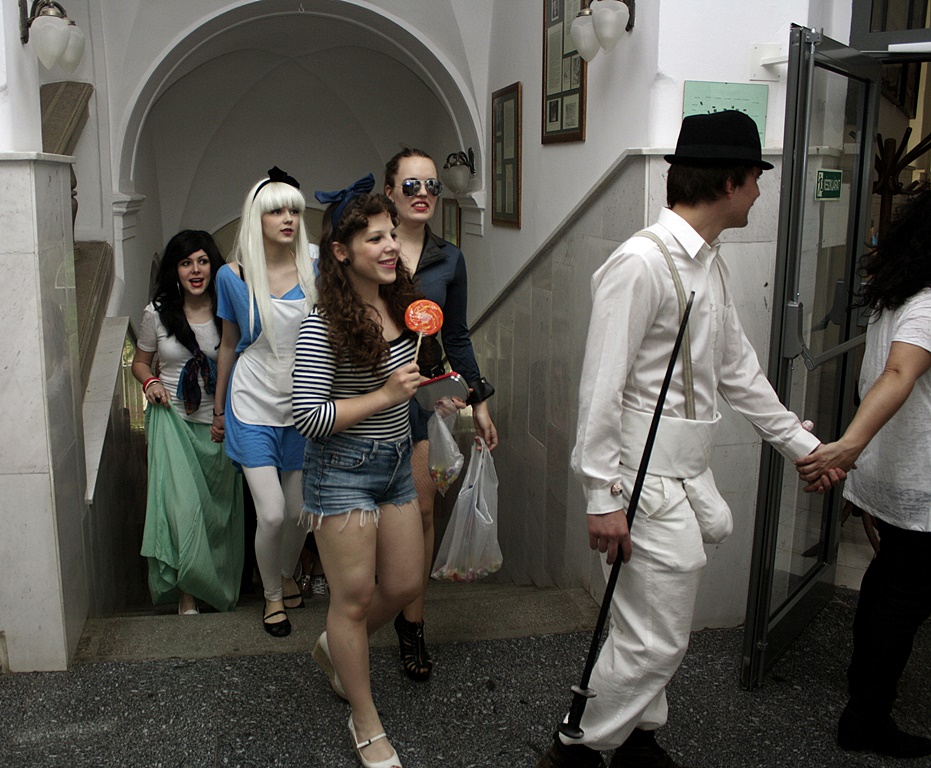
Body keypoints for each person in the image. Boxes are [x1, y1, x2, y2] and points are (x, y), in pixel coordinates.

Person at [537, 111, 836, 768]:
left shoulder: (707, 264)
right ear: (729, 181)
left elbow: (737, 371)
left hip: (679, 474)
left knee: (641, 624)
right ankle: (575, 750)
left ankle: (638, 742)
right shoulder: (640, 263)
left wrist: (800, 446)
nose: (758, 192)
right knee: (656, 640)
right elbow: (600, 389)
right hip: (640, 481)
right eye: (755, 178)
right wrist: (601, 497)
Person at [293, 175, 424, 768]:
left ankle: (335, 646)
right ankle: (366, 721)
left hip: (394, 462)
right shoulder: (323, 322)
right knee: (353, 600)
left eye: (391, 234)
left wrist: (436, 388)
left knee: (403, 585)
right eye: (375, 238)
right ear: (341, 252)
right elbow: (309, 416)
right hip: (341, 471)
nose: (392, 245)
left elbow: (405, 381)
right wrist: (386, 394)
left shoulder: (400, 304)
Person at [795, 190, 931, 759]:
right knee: (901, 596)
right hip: (919, 482)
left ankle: (865, 699)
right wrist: (847, 449)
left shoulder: (899, 294)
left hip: (894, 473)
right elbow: (897, 374)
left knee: (890, 585)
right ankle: (866, 715)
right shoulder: (928, 303)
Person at [383, 148, 499, 680]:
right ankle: (367, 603)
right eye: (411, 185)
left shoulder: (449, 259)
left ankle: (412, 624)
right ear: (390, 192)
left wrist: (478, 400)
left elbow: (456, 336)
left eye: (431, 185)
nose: (423, 193)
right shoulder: (372, 248)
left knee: (422, 512)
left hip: (427, 401)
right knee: (377, 514)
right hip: (373, 398)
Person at [213, 166, 317, 637]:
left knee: (299, 513)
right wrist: (218, 409)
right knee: (272, 511)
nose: (288, 218)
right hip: (251, 403)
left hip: (303, 405)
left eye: (293, 209)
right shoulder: (231, 276)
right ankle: (272, 595)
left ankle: (287, 574)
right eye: (276, 211)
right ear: (256, 218)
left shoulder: (315, 266)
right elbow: (227, 344)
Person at [133, 230, 244, 615]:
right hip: (172, 423)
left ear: (213, 267)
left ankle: (215, 586)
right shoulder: (156, 313)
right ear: (175, 270)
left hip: (218, 426)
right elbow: (140, 362)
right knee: (183, 512)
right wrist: (150, 383)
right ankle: (187, 594)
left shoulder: (228, 309)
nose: (195, 270)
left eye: (202, 261)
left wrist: (225, 414)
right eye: (185, 263)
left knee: (217, 515)